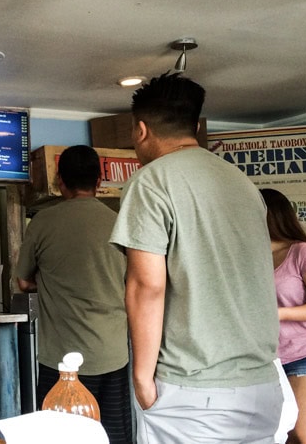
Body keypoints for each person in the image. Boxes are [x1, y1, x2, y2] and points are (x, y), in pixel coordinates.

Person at [109, 72, 282, 443]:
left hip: (194, 392)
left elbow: (146, 285)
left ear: (141, 130)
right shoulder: (242, 183)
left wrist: (142, 377)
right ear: (195, 125)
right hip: (262, 386)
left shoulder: (151, 180)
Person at [16, 145, 131, 443]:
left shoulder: (42, 222)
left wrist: (52, 282)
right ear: (99, 182)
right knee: (113, 435)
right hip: (113, 356)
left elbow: (23, 283)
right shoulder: (120, 222)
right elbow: (136, 282)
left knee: (61, 437)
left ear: (60, 183)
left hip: (62, 362)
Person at [262, 187, 306, 443]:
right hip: (267, 359)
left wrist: (278, 313)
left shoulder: (302, 252)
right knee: (280, 434)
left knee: (302, 433)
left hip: (303, 354)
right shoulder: (251, 257)